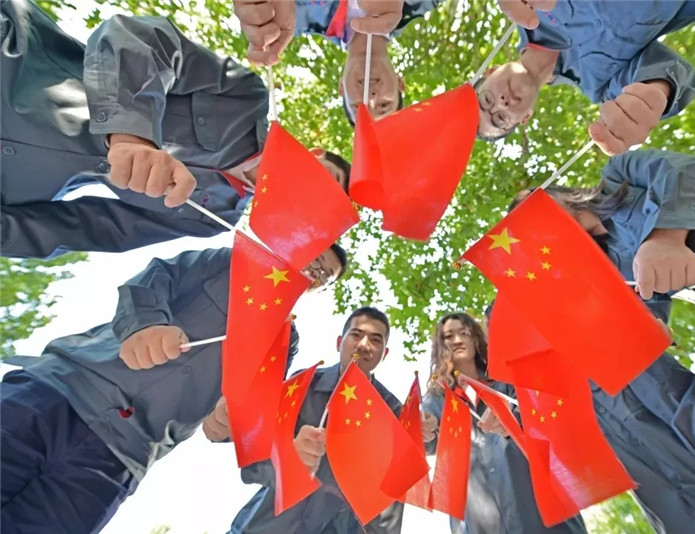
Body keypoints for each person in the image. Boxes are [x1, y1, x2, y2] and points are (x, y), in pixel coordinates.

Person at [0, 242, 348, 534]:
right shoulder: (231, 262)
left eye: (324, 275)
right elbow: (153, 280)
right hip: (57, 393)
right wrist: (145, 324)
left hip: (118, 460)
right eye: (315, 258)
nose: (314, 271)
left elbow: (245, 410)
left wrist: (227, 424)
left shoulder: (285, 342)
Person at [0, 0, 351, 259]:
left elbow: (95, 228)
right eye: (328, 180)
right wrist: (131, 134)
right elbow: (138, 37)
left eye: (318, 206)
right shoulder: (247, 98)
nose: (312, 191)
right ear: (314, 153)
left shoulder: (213, 220)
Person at [483, 300, 695, 533]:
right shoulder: (558, 408)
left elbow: (677, 401)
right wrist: (514, 428)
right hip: (694, 520)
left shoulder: (603, 341)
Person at [510, 149, 695, 385]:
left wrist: (667, 236)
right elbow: (650, 307)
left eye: (532, 209)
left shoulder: (618, 173)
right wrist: (647, 331)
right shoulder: (608, 276)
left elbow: (680, 170)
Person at [204, 306, 405, 533]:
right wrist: (287, 459)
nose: (364, 345)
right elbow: (253, 460)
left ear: (384, 354)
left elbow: (387, 504)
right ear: (339, 342)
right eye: (356, 335)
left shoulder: (393, 414)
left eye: (376, 340)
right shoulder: (303, 385)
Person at [475, 0, 695, 152]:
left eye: (486, 100)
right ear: (524, 118)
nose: (501, 103)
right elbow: (662, 71)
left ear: (489, 71)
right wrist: (655, 93)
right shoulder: (600, 88)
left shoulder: (523, 6)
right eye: (500, 119)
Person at [420, 312, 587, 534]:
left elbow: (544, 416)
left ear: (476, 338)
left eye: (464, 333)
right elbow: (426, 443)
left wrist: (513, 418)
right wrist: (424, 429)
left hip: (537, 506)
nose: (457, 340)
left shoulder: (507, 376)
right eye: (449, 336)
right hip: (478, 521)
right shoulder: (436, 398)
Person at [231, 0, 443, 124]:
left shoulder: (292, 17)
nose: (370, 97)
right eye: (384, 105)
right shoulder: (425, 2)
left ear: (342, 87)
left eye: (358, 106)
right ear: (399, 83)